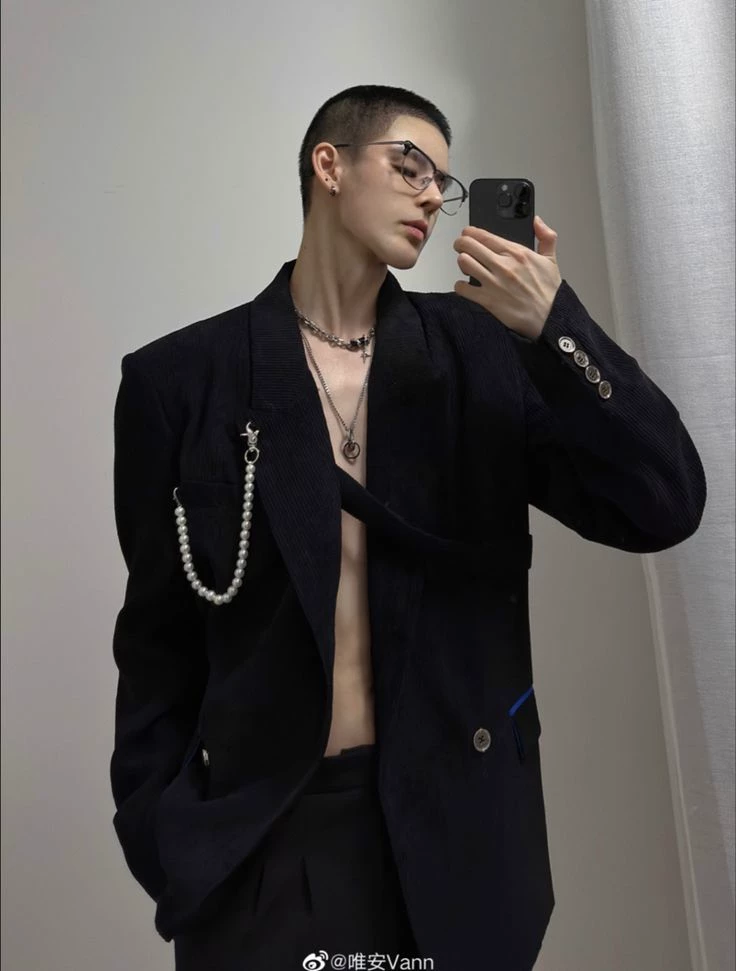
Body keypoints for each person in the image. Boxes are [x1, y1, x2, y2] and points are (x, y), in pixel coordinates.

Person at [110, 84, 707, 970]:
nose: (434, 196)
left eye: (445, 182)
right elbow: (156, 641)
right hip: (266, 843)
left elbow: (663, 501)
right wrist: (172, 845)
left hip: (462, 834)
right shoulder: (182, 380)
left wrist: (558, 329)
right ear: (330, 165)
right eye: (410, 165)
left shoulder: (478, 352)